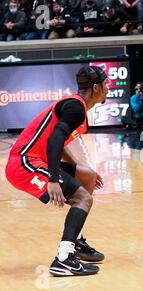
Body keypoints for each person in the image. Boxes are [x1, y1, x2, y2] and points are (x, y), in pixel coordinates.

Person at [5, 66, 108, 275]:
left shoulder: (76, 106)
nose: (108, 88)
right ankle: (63, 259)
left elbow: (59, 143)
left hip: (37, 161)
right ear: (96, 88)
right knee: (83, 199)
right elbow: (55, 139)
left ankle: (75, 241)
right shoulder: (76, 108)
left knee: (87, 178)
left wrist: (81, 168)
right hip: (24, 164)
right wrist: (53, 178)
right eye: (106, 84)